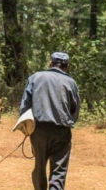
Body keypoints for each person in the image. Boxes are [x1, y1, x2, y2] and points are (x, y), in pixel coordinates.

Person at [19, 52, 81, 190]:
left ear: (50, 63)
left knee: (39, 166)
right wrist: (67, 122)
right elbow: (74, 109)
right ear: (67, 67)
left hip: (39, 129)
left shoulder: (35, 77)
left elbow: (25, 105)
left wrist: (28, 127)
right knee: (59, 170)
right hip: (61, 131)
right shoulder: (71, 82)